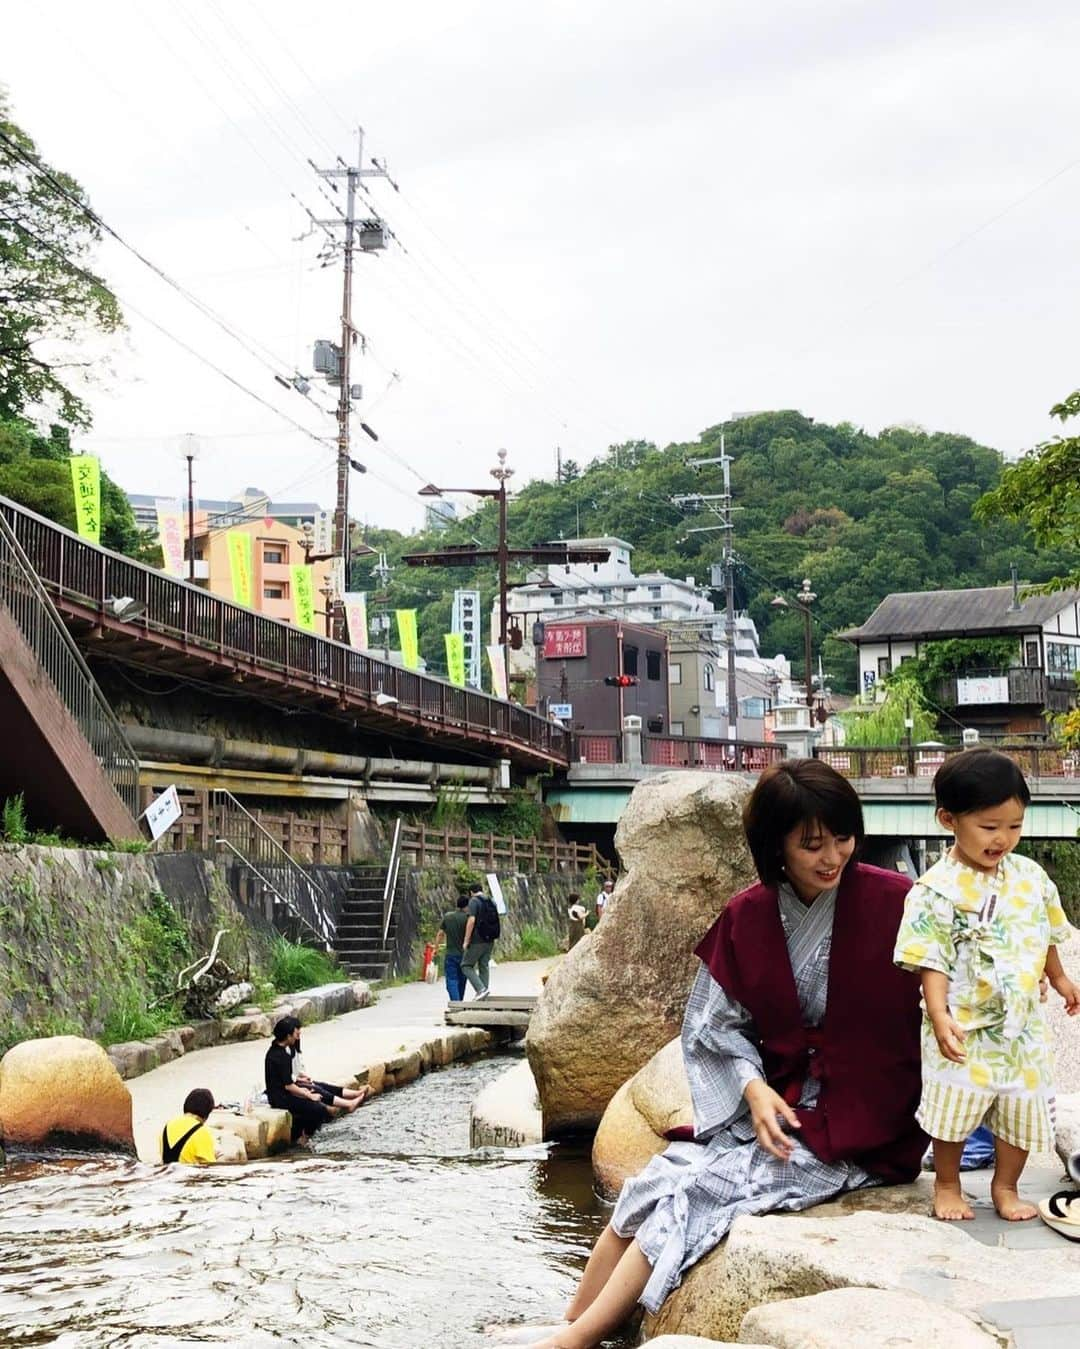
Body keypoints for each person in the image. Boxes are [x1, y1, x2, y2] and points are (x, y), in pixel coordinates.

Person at [493, 758, 925, 1349]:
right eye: (812, 845)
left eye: (843, 838)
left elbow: (951, 997)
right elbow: (712, 1026)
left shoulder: (900, 902)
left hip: (863, 1120)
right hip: (779, 1108)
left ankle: (579, 1341)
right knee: (653, 1181)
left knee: (703, 1190)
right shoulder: (748, 914)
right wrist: (752, 1086)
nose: (833, 858)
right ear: (775, 846)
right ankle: (571, 1319)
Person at [893, 748, 1079, 1223]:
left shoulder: (1030, 877)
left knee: (1023, 1105)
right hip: (963, 1025)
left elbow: (1046, 932)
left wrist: (1059, 977)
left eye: (1014, 826)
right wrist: (939, 1016)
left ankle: (1005, 1186)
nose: (1003, 839)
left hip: (1021, 1026)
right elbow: (930, 960)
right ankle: (949, 1183)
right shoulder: (935, 889)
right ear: (948, 819)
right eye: (989, 827)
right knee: (954, 1105)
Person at [264, 1016, 367, 1144]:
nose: (297, 1038)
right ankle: (305, 1138)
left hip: (284, 1092)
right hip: (280, 1098)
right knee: (317, 1109)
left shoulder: (279, 1050)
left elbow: (289, 1080)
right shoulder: (279, 1056)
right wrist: (308, 1095)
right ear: (288, 1036)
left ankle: (304, 1134)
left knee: (315, 1092)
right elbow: (288, 1086)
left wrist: (304, 1088)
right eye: (296, 1034)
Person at [461, 881, 500, 997]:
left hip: (478, 939)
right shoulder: (491, 900)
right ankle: (484, 993)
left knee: (466, 965)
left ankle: (481, 989)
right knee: (484, 965)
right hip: (490, 939)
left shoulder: (474, 901)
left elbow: (471, 920)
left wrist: (466, 940)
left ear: (471, 892)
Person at [161, 1088, 216, 1166]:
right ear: (207, 1113)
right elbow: (211, 1167)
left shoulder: (167, 1126)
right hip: (190, 1176)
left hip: (169, 1174)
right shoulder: (201, 1132)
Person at [434, 893, 471, 1001]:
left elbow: (440, 933)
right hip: (465, 955)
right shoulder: (468, 918)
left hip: (451, 954)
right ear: (467, 906)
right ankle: (460, 1002)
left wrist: (436, 948)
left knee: (451, 979)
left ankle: (455, 1002)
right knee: (462, 979)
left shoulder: (448, 917)